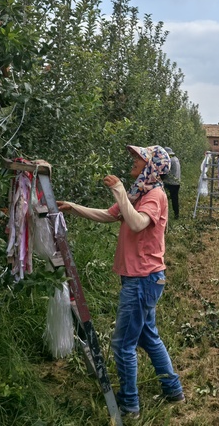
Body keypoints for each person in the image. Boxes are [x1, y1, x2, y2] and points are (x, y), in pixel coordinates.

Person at [57, 145, 184, 418]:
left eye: (138, 159)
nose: (133, 162)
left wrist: (118, 190)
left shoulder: (153, 195)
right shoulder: (137, 193)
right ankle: (173, 389)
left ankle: (129, 404)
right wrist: (73, 208)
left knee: (123, 345)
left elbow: (137, 223)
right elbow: (110, 214)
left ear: (150, 165)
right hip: (141, 279)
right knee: (148, 338)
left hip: (142, 280)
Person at [162, 147, 181, 219]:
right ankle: (176, 214)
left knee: (164, 198)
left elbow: (166, 172)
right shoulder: (176, 159)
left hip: (170, 183)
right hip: (177, 182)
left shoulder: (170, 160)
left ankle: (164, 214)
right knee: (175, 199)